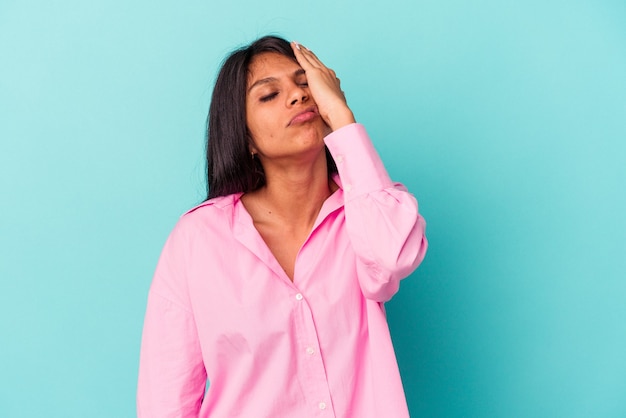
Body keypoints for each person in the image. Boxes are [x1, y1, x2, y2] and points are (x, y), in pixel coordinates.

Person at [137, 35, 428, 418]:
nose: (298, 96)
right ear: (246, 137)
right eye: (269, 95)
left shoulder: (366, 213)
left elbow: (391, 259)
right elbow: (166, 401)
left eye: (306, 82)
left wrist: (342, 119)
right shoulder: (198, 239)